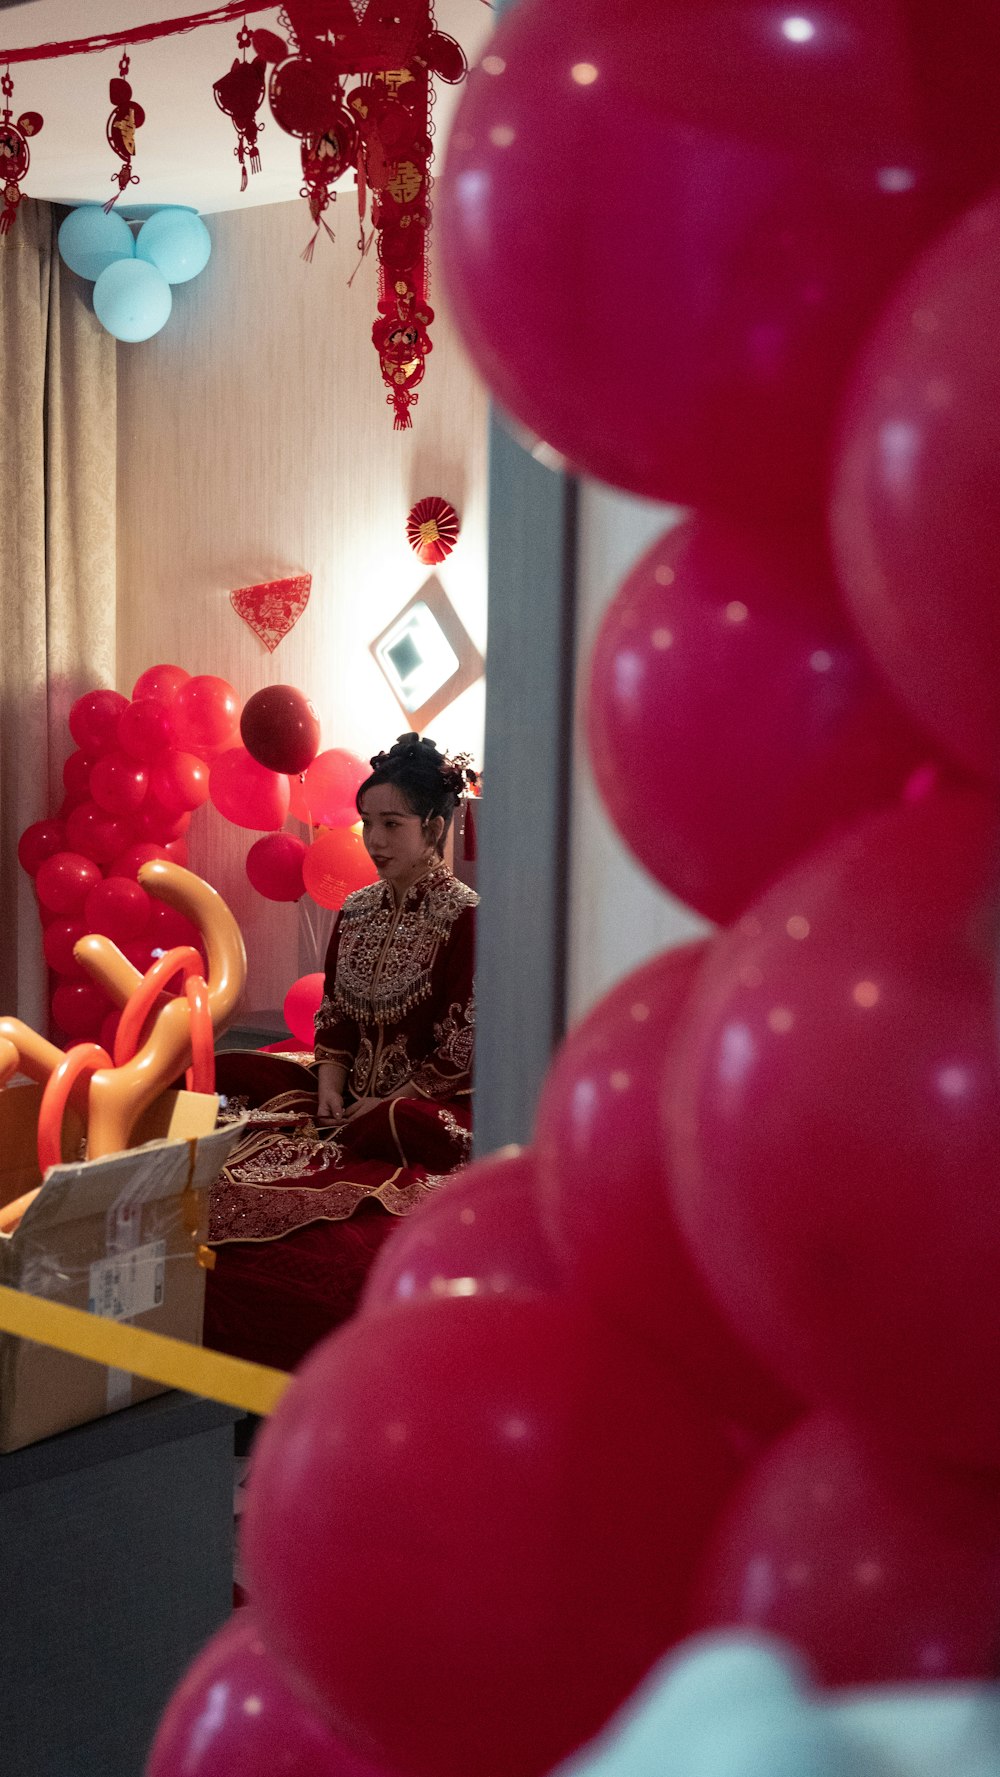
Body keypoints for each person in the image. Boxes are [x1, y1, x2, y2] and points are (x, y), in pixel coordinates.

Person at [202, 733, 479, 1371]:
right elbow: (335, 1016)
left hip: (423, 1105)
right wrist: (330, 1080)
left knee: (392, 1123)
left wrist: (390, 1098)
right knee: (233, 1071)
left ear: (435, 828)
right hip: (349, 1096)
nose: (375, 841)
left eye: (392, 824)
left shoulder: (467, 918)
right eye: (367, 825)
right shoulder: (355, 911)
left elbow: (463, 1039)